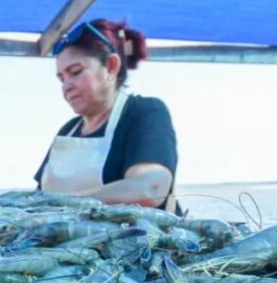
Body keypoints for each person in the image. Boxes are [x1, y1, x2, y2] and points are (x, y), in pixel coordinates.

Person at [34, 19, 178, 211]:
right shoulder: (68, 131)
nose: (67, 86)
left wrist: (64, 204)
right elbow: (38, 197)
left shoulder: (144, 112)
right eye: (62, 79)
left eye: (76, 72)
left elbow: (150, 187)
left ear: (111, 66)